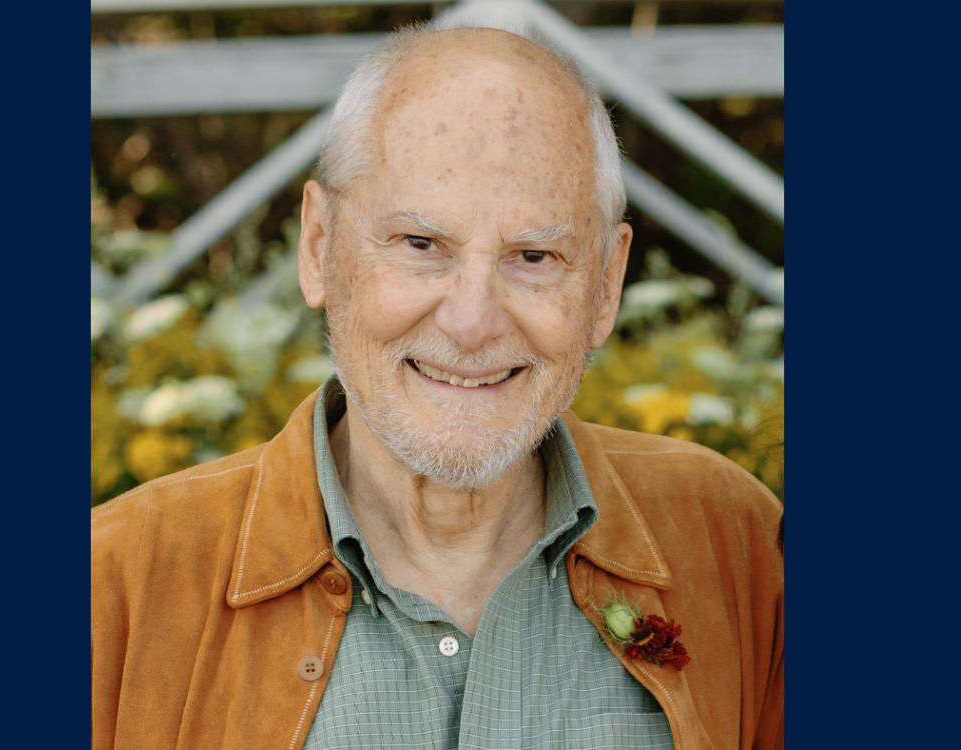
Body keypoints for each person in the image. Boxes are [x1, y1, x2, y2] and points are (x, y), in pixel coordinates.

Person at [91, 24, 783, 750]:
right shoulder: (117, 591)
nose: (472, 321)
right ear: (319, 247)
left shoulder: (735, 546)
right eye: (421, 245)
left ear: (607, 286)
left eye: (534, 255)